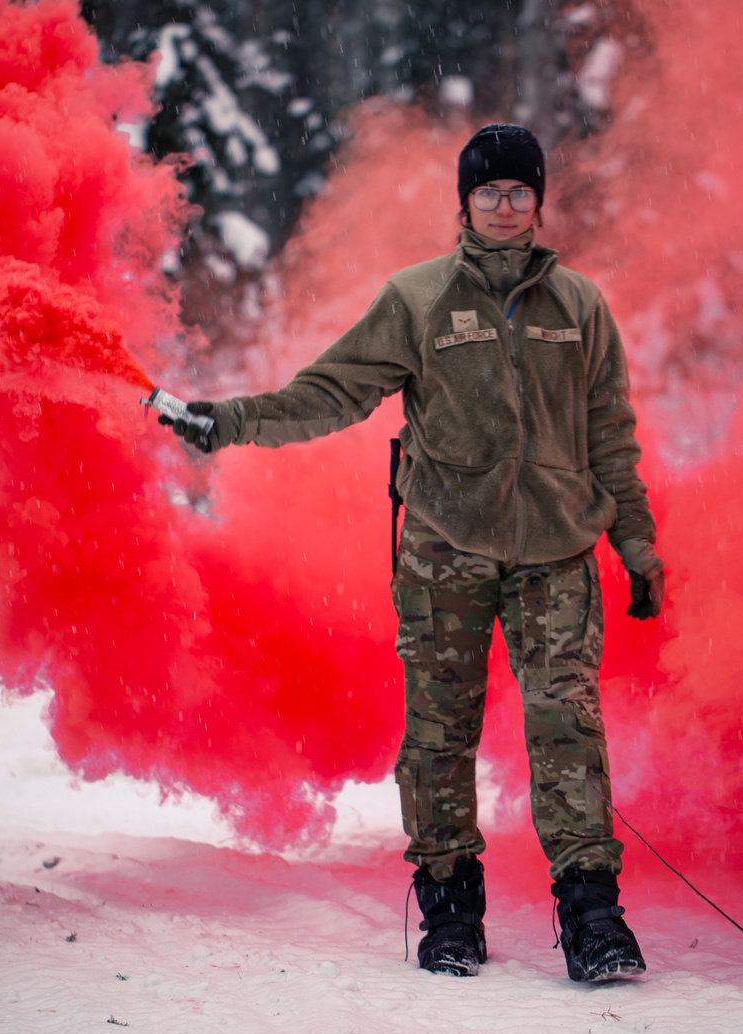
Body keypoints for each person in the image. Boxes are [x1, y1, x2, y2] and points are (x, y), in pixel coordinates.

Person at [160, 123, 664, 983]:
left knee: (567, 731)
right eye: (489, 192)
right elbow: (333, 392)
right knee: (438, 735)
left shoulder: (579, 306)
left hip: (557, 553)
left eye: (519, 192)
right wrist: (230, 419)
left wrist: (638, 544)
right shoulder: (420, 298)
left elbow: (610, 434)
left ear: (539, 202)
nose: (505, 206)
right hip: (444, 554)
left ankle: (592, 914)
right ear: (464, 203)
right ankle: (451, 910)